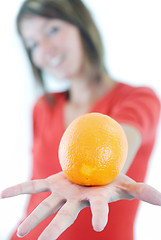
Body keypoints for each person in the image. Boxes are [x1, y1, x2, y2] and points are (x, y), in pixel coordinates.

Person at [1, 0, 161, 239]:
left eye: (52, 30)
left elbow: (122, 137)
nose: (45, 49)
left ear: (82, 25)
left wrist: (101, 173)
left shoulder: (138, 99)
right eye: (32, 44)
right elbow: (37, 196)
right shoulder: (43, 107)